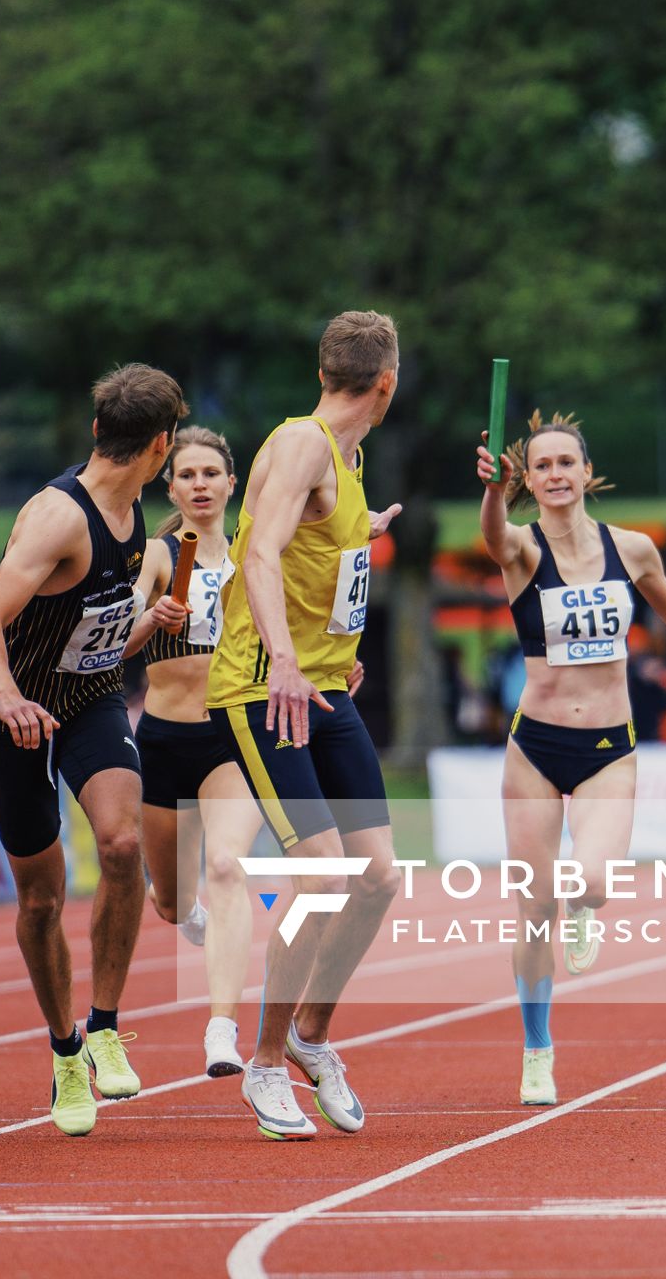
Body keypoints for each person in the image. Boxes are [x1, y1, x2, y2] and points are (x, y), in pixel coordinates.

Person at [477, 408, 666, 1107]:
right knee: (534, 908)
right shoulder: (520, 548)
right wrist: (492, 490)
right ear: (530, 478)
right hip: (536, 750)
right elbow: (493, 533)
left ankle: (585, 901)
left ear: (586, 473)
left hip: (609, 747)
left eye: (564, 463)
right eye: (540, 466)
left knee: (593, 882)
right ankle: (537, 1049)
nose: (554, 475)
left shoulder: (632, 549)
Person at [0, 363, 188, 1137]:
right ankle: (64, 1054)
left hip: (88, 702)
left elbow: (89, 639)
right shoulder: (58, 517)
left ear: (101, 430)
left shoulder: (135, 515)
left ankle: (103, 1024)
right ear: (162, 445)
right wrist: (11, 698)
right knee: (41, 897)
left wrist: (143, 628)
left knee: (122, 844)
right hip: (14, 715)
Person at [205, 310, 404, 1141]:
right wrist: (286, 659)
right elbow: (259, 553)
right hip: (267, 689)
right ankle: (262, 1064)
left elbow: (320, 555)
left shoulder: (350, 461)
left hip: (327, 690)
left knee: (379, 877)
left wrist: (336, 633)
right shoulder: (302, 444)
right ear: (385, 384)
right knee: (322, 877)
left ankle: (310, 1035)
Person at [121, 425, 264, 1078]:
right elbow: (113, 642)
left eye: (212, 473)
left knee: (230, 865)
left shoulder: (254, 550)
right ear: (169, 485)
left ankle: (221, 1028)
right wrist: (152, 619)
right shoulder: (158, 553)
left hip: (234, 736)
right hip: (165, 740)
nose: (201, 485)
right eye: (188, 475)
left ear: (231, 483)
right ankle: (192, 914)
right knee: (171, 903)